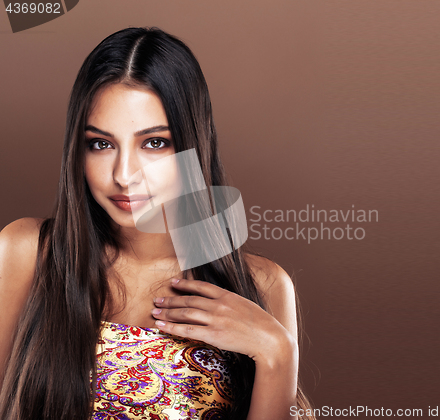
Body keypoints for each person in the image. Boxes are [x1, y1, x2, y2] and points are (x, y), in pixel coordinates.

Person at [0, 27, 314, 419]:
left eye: (153, 143)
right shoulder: (28, 253)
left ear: (193, 145)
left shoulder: (262, 285)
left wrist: (278, 354)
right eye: (101, 144)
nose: (125, 174)